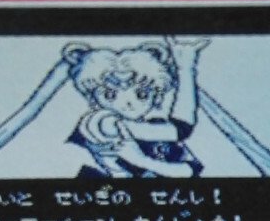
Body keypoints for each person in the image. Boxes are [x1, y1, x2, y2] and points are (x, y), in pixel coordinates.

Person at [64, 38, 208, 178]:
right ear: (93, 98)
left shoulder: (155, 125)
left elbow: (189, 170)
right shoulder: (103, 121)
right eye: (110, 94)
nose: (128, 103)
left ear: (157, 95)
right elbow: (181, 129)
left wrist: (142, 161)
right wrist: (185, 69)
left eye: (142, 94)